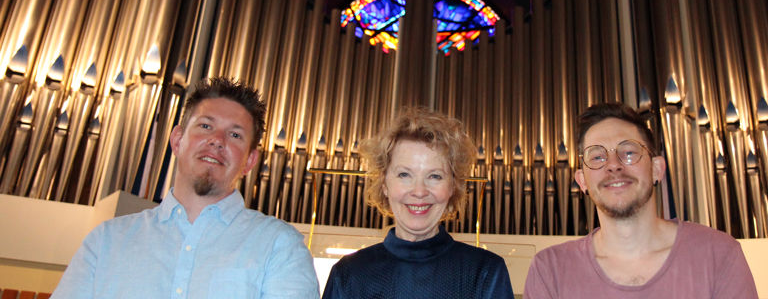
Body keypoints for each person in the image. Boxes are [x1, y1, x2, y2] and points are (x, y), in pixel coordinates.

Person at [53, 77, 319, 298]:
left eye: (235, 134)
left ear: (250, 161)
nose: (217, 140)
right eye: (206, 126)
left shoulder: (280, 247)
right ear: (177, 140)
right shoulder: (106, 242)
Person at [524, 102, 758, 298]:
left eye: (628, 153)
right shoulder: (549, 270)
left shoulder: (719, 254)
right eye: (597, 157)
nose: (613, 165)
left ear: (657, 169)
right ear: (582, 181)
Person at [322, 107, 513, 298]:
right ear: (384, 184)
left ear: (453, 186)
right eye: (404, 174)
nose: (419, 192)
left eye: (435, 176)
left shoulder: (485, 272)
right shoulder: (348, 275)